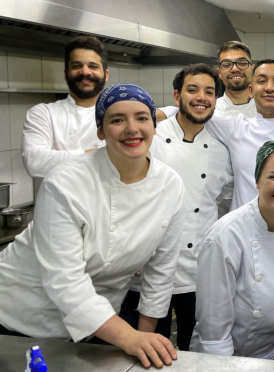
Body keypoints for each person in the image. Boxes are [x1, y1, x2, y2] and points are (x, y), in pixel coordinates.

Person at [0, 84, 185, 369]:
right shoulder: (65, 182)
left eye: (141, 117)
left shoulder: (171, 184)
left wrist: (143, 339)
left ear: (154, 125)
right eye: (117, 120)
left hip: (98, 323)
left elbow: (161, 272)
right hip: (19, 316)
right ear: (100, 131)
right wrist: (130, 338)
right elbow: (65, 280)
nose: (131, 128)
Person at [121, 64, 233, 351]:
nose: (201, 97)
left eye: (209, 92)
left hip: (197, 273)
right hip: (144, 268)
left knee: (192, 350)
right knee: (141, 349)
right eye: (192, 89)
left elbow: (221, 202)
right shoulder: (150, 138)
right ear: (176, 96)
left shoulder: (221, 150)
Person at [191, 140, 274, 360]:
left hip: (271, 353)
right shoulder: (225, 236)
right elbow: (214, 329)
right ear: (257, 181)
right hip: (224, 356)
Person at [205, 59, 274, 211]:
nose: (269, 88)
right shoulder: (237, 127)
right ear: (250, 91)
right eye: (262, 81)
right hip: (243, 228)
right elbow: (194, 116)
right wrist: (166, 112)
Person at [22, 35, 108, 178]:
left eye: (93, 66)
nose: (85, 72)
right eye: (76, 66)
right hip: (59, 199)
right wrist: (104, 155)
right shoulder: (44, 113)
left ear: (106, 75)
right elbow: (34, 162)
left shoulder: (116, 114)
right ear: (65, 73)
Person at [156, 41, 256, 121]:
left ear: (252, 69)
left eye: (242, 63)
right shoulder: (210, 108)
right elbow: (185, 112)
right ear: (219, 73)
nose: (235, 69)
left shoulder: (267, 109)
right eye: (227, 64)